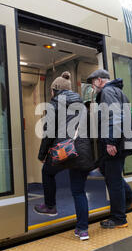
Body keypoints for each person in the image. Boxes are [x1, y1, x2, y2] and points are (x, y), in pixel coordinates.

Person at [35, 71, 95, 240]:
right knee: (78, 191)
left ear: (55, 89)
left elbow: (49, 133)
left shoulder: (55, 104)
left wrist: (42, 155)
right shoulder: (82, 105)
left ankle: (50, 206)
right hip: (81, 152)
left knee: (47, 172)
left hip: (63, 151)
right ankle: (83, 230)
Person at [87, 69, 132, 229]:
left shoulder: (107, 91)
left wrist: (110, 141)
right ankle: (130, 196)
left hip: (115, 142)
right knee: (105, 168)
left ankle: (119, 218)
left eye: (93, 83)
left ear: (99, 80)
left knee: (113, 180)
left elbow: (113, 116)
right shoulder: (117, 91)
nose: (93, 87)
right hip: (121, 140)